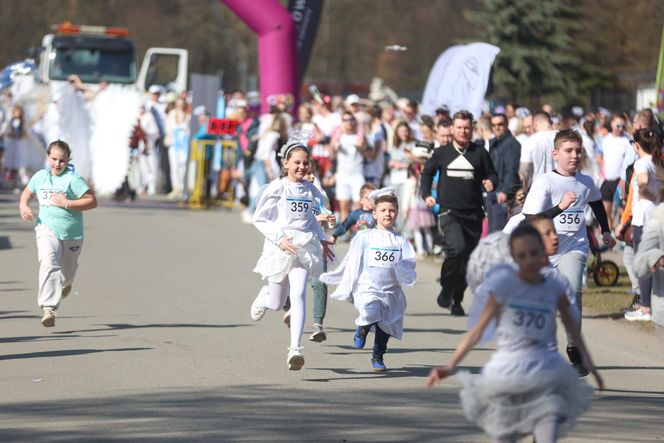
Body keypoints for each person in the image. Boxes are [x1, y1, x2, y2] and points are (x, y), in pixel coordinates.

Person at [427, 225, 603, 443]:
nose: (529, 259)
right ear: (513, 258)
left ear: (543, 252)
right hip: (509, 374)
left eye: (534, 253)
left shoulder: (555, 286)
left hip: (546, 372)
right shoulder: (503, 287)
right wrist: (450, 366)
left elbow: (573, 328)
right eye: (522, 255)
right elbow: (475, 333)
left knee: (548, 432)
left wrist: (589, 363)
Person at [521, 129, 615, 375]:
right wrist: (559, 207)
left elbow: (596, 203)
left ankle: (575, 347)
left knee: (573, 291)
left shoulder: (585, 182)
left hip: (574, 246)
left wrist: (605, 231)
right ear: (555, 154)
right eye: (568, 151)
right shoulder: (545, 183)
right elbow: (530, 220)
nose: (574, 155)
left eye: (577, 151)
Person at [249, 140, 335, 370]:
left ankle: (295, 349)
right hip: (280, 246)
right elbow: (260, 218)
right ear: (285, 163)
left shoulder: (312, 190)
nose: (301, 167)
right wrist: (279, 238)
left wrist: (323, 236)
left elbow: (313, 219)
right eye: (296, 162)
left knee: (298, 295)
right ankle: (266, 295)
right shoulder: (277, 188)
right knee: (277, 303)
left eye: (306, 163)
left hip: (304, 247)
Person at [321, 188, 417, 371]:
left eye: (391, 210)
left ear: (396, 213)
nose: (387, 214)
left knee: (386, 326)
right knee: (371, 309)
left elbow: (409, 262)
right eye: (383, 210)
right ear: (374, 214)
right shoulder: (365, 236)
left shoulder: (400, 241)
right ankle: (362, 328)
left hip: (391, 291)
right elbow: (353, 259)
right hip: (369, 287)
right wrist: (348, 280)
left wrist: (403, 268)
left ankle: (378, 355)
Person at [421, 110, 498, 316]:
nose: (463, 131)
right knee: (457, 249)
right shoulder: (442, 153)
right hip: (449, 211)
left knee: (468, 260)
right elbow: (426, 173)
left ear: (472, 129)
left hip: (473, 213)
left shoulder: (479, 153)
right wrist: (427, 194)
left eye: (467, 128)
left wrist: (491, 182)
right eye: (460, 127)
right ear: (452, 129)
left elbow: (492, 173)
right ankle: (447, 289)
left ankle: (457, 299)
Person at [18, 140, 98, 327]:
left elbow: (92, 201)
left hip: (72, 234)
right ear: (48, 158)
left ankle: (67, 283)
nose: (57, 164)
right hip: (46, 228)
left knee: (67, 273)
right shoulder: (40, 177)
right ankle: (49, 308)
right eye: (54, 159)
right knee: (48, 263)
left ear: (68, 160)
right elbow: (27, 192)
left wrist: (67, 203)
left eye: (62, 160)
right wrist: (23, 205)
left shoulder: (73, 179)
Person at [622, 129, 664, 321]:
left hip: (644, 221)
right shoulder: (659, 161)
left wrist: (645, 192)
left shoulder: (641, 163)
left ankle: (645, 308)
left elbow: (643, 181)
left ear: (636, 145)